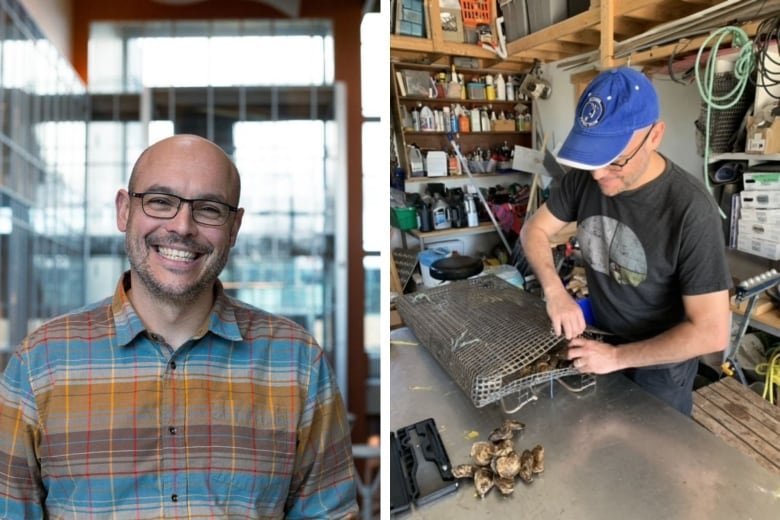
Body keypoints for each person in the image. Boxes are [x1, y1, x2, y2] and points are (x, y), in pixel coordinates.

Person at [0, 134, 358, 518]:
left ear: (234, 227)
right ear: (124, 211)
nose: (182, 226)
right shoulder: (40, 363)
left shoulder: (298, 362)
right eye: (160, 201)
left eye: (209, 208)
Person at [519, 67, 731, 415]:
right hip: (600, 340)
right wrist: (555, 291)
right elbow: (534, 231)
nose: (599, 175)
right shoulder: (584, 180)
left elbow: (711, 332)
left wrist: (617, 358)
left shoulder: (691, 209)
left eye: (615, 161)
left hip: (660, 367)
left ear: (655, 135)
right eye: (592, 161)